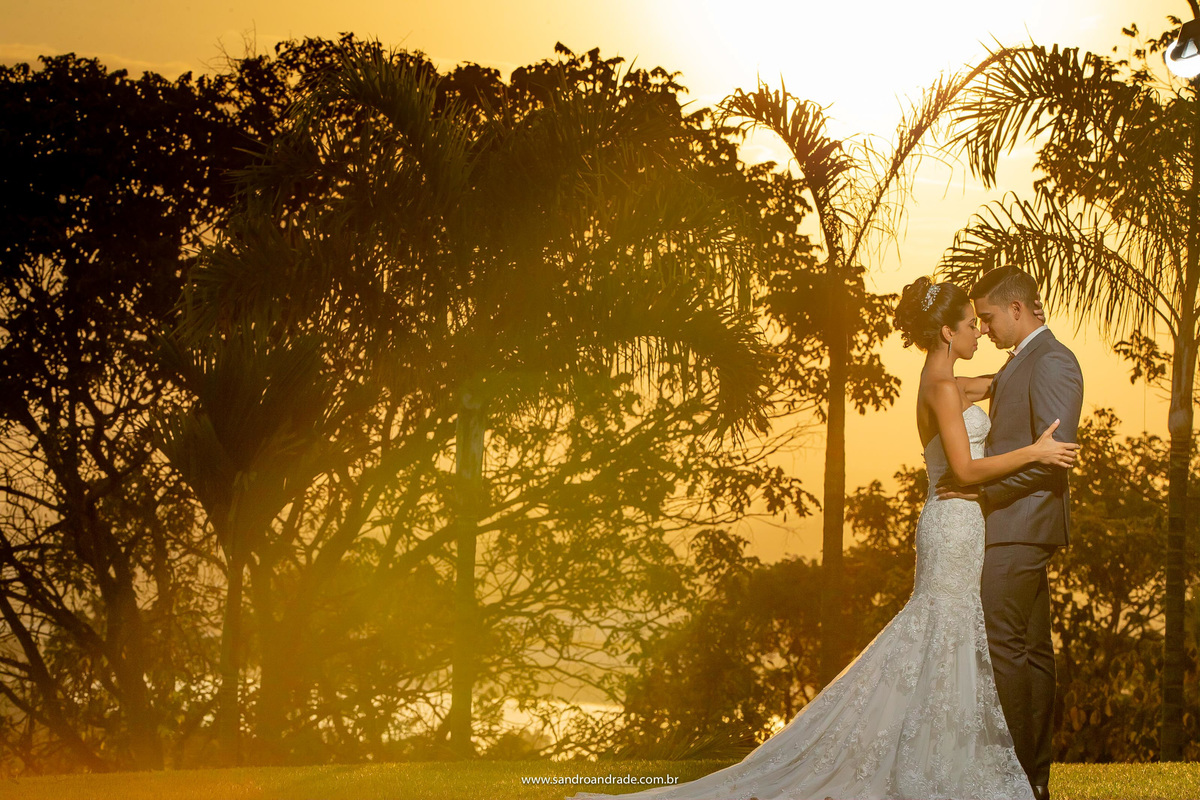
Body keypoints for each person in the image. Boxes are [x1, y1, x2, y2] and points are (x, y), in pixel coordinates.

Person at [565, 276, 1077, 800]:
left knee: (949, 639)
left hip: (962, 525)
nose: (979, 333)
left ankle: (942, 753)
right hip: (954, 521)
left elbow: (997, 379)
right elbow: (965, 470)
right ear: (947, 331)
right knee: (943, 633)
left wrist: (1028, 350)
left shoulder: (943, 380)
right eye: (972, 325)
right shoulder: (943, 387)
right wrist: (1036, 453)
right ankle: (939, 760)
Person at [936, 266, 1083, 800]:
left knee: (1005, 647)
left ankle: (1019, 776)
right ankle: (1033, 778)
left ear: (1017, 310)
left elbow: (1054, 458)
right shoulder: (1022, 362)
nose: (988, 328)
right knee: (1032, 649)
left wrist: (982, 492)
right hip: (1012, 523)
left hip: (1022, 523)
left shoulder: (1054, 361)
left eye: (992, 318)